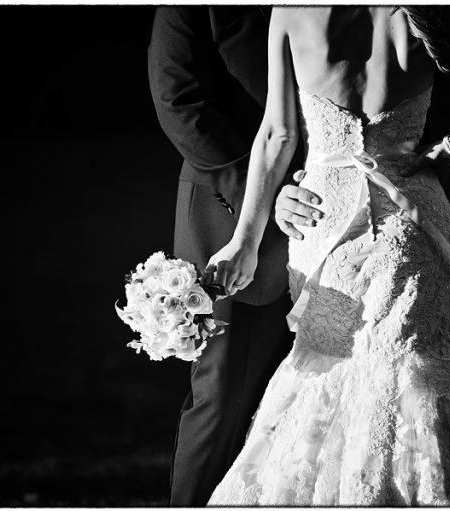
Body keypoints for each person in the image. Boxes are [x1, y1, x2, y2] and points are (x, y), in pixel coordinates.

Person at [206, 6, 450, 506]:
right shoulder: (426, 12)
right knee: (413, 371)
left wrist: (245, 241)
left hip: (324, 223)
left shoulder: (293, 11)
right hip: (411, 219)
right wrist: (449, 151)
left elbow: (278, 135)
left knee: (331, 369)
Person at [147, 6, 305, 506]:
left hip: (331, 203)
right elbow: (179, 100)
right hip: (230, 208)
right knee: (227, 396)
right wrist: (266, 193)